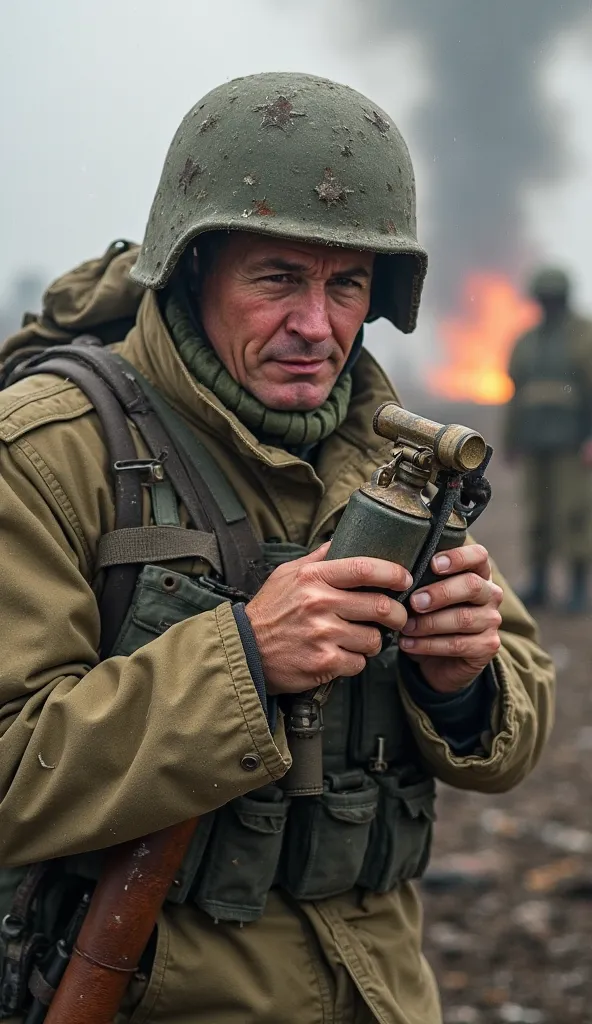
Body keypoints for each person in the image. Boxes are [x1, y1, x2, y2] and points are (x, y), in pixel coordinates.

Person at [0, 73, 554, 1024]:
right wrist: (245, 660)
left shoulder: (390, 455)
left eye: (347, 286)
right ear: (192, 269)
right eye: (278, 278)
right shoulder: (50, 455)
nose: (317, 326)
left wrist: (460, 685)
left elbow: (516, 726)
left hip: (381, 992)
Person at [505, 267, 592, 613]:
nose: (549, 306)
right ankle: (539, 583)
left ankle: (577, 588)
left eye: (554, 299)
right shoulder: (526, 342)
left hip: (572, 446)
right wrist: (511, 441)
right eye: (544, 299)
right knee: (538, 515)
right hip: (535, 444)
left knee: (575, 515)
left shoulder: (584, 337)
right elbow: (515, 396)